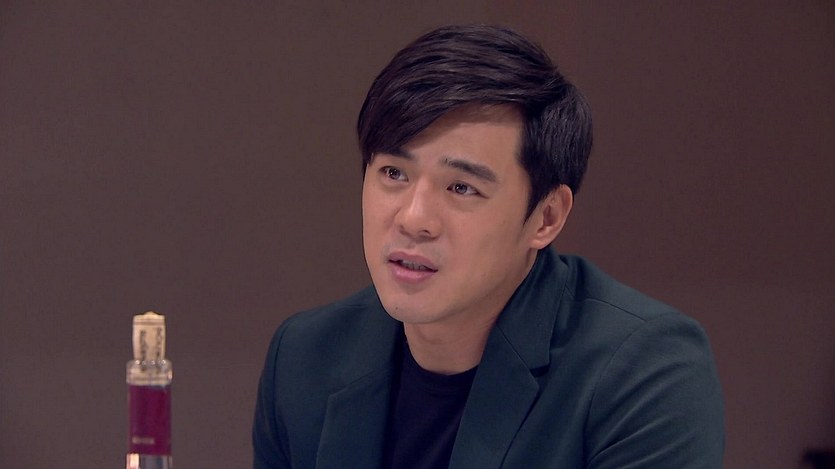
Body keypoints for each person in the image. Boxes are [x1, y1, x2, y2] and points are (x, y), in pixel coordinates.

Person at [253, 24, 724, 469]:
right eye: (394, 173)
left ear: (546, 217)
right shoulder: (304, 357)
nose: (413, 219)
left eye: (461, 187)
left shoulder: (645, 371)